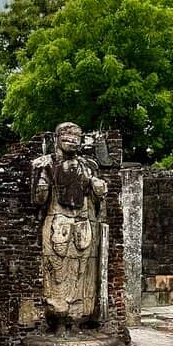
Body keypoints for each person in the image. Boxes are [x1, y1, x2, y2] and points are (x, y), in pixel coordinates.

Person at [31, 121, 108, 334]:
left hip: (82, 223)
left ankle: (77, 318)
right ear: (57, 139)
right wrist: (42, 182)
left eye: (77, 136)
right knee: (57, 272)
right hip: (58, 222)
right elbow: (39, 200)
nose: (73, 139)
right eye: (67, 135)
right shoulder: (47, 164)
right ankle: (58, 318)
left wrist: (98, 188)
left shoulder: (88, 166)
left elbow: (98, 200)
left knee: (82, 272)